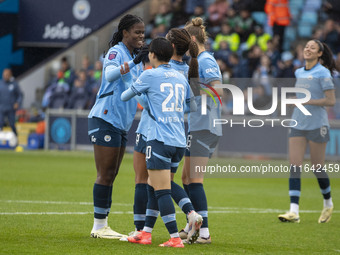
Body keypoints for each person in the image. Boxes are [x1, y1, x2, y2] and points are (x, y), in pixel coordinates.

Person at [127, 28, 203, 244]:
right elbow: (193, 104)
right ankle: (148, 231)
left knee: (146, 181)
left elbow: (135, 94)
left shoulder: (155, 71)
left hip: (153, 131)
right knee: (158, 182)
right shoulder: (186, 70)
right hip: (177, 134)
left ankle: (141, 228)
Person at [87, 14, 148, 239]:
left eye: (143, 32)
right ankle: (99, 226)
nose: (141, 36)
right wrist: (132, 63)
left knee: (111, 174)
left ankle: (103, 224)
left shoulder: (136, 58)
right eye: (137, 32)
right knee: (105, 174)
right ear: (125, 33)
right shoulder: (116, 52)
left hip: (121, 123)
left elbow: (136, 89)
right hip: (105, 117)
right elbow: (109, 74)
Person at [278, 40, 336, 223]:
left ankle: (328, 203)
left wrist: (307, 101)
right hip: (298, 123)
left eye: (312, 47)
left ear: (319, 53)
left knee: (317, 167)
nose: (307, 49)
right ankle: (293, 211)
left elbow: (330, 101)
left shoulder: (323, 73)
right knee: (294, 166)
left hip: (318, 125)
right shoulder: (299, 71)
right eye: (306, 47)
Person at [179, 17, 223, 244]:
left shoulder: (206, 61)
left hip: (205, 126)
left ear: (193, 39)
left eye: (186, 41)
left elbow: (218, 91)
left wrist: (194, 92)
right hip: (196, 125)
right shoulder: (197, 61)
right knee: (186, 178)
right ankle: (191, 224)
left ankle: (204, 233)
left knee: (195, 180)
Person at [0, 68, 23, 137]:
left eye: (7, 75)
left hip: (11, 108)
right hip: (1, 108)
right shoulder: (0, 84)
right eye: (4, 75)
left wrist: (17, 102)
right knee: (0, 124)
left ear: (10, 75)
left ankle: (15, 140)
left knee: (12, 124)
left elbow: (20, 95)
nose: (6, 76)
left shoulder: (14, 84)